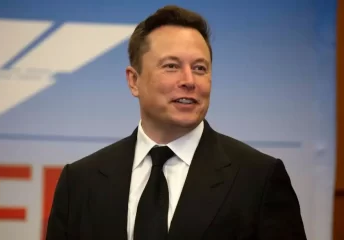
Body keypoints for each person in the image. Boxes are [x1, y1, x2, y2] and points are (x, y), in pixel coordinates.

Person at [45, 5, 307, 240]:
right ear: (134, 81)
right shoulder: (80, 181)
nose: (189, 80)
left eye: (200, 68)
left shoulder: (258, 178)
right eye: (171, 66)